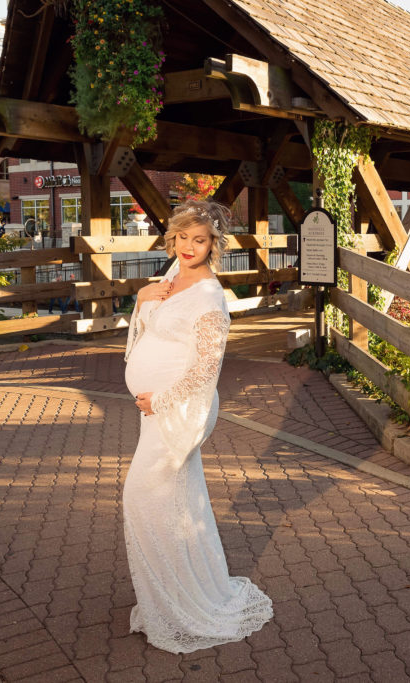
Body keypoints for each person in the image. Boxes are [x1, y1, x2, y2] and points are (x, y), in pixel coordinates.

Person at [123, 200, 272, 652]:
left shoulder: (210, 297)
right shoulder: (170, 274)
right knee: (177, 504)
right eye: (183, 237)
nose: (189, 246)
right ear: (174, 237)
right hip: (155, 412)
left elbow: (208, 369)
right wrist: (139, 299)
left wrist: (161, 399)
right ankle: (171, 596)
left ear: (214, 245)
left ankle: (180, 602)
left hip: (178, 413)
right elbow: (145, 334)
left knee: (143, 497)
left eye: (200, 240)